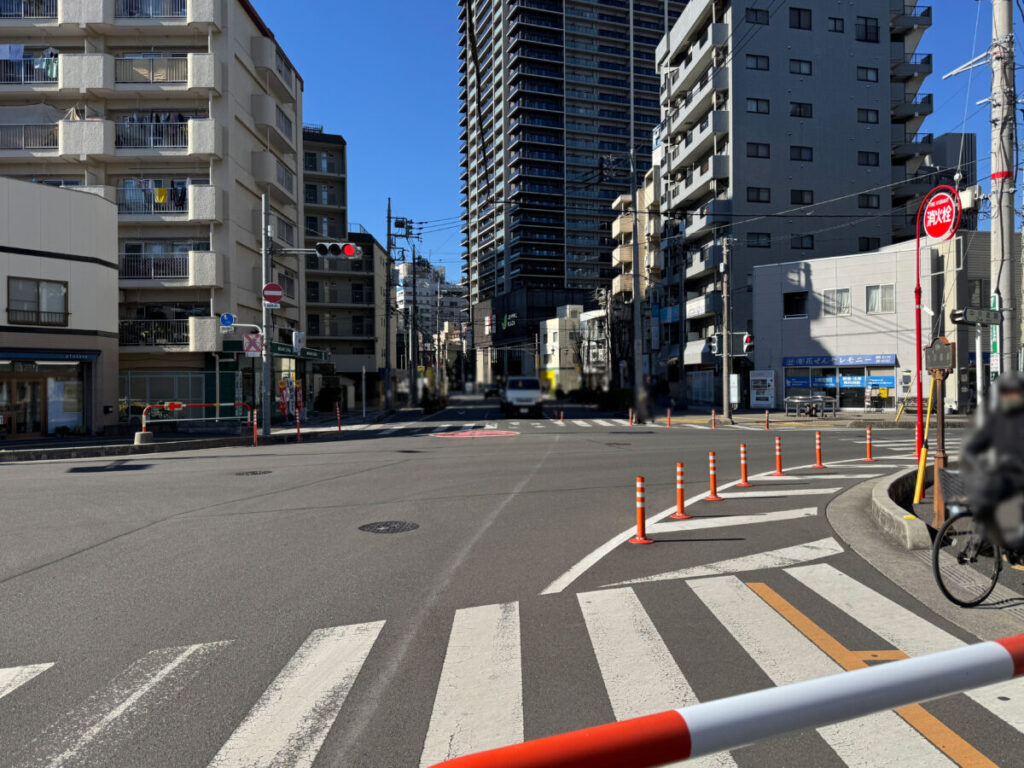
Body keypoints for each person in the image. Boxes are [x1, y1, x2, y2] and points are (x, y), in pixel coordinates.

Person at [962, 373, 1024, 523]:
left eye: (1015, 393)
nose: (1011, 397)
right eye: (1007, 393)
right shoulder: (997, 418)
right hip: (1004, 475)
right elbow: (976, 443)